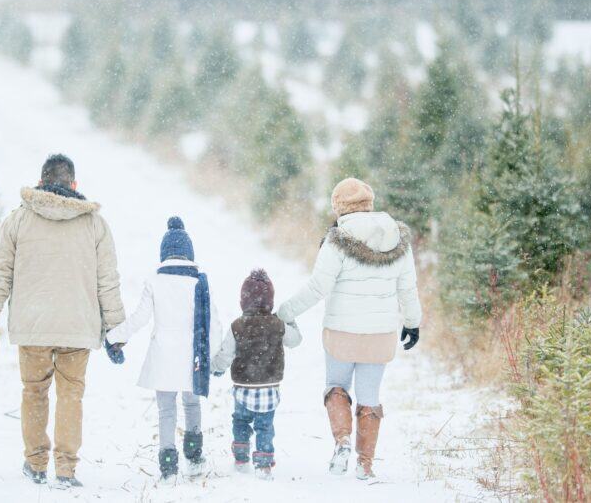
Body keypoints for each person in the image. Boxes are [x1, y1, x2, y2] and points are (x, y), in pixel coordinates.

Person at [0, 154, 126, 489]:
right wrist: (116, 330)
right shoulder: (94, 225)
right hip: (78, 327)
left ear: (41, 182)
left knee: (34, 391)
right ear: (73, 184)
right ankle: (67, 469)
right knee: (71, 395)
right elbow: (108, 282)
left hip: (33, 326)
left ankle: (36, 463)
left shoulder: (18, 221)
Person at [276, 178, 422, 481]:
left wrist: (285, 313)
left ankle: (342, 442)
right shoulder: (397, 237)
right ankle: (365, 464)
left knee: (336, 386)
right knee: (370, 396)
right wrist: (412, 322)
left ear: (339, 207)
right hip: (380, 335)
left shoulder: (337, 239)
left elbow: (318, 287)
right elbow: (408, 287)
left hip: (341, 331)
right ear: (370, 203)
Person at [106, 217, 222, 483]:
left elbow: (139, 318)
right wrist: (216, 358)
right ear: (189, 253)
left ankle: (168, 465)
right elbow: (212, 322)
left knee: (166, 409)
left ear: (164, 254)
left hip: (163, 358)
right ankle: (193, 458)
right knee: (192, 404)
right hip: (192, 357)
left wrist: (115, 337)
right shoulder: (199, 282)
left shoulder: (155, 281)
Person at [212, 269, 302, 481]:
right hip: (269, 388)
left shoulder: (237, 325)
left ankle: (241, 457)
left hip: (244, 386)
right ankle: (263, 464)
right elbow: (295, 340)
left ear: (243, 300)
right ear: (270, 300)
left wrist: (217, 368)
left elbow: (226, 353)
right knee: (265, 425)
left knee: (240, 420)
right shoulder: (277, 324)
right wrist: (290, 320)